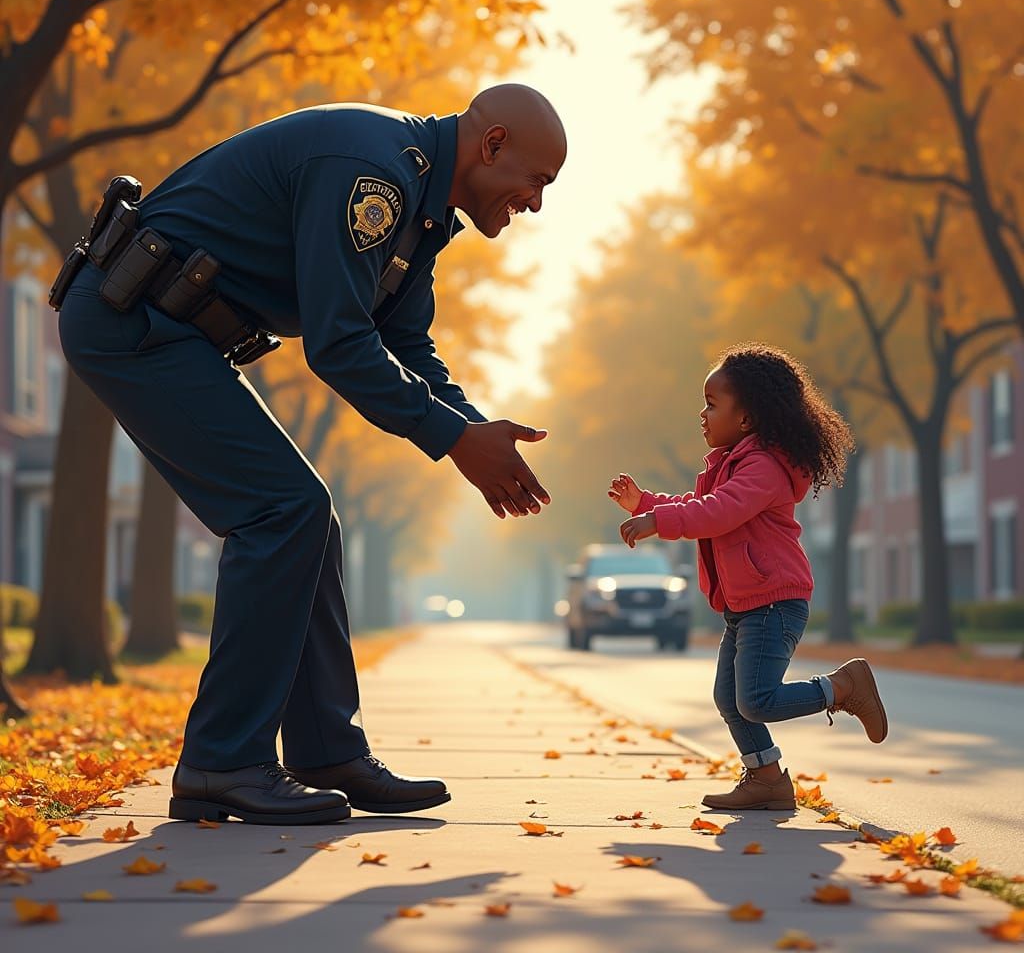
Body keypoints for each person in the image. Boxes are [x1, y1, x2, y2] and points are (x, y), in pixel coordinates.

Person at [57, 83, 567, 826]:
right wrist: (453, 440)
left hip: (176, 330)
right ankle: (221, 762)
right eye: (536, 181)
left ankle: (328, 750)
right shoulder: (374, 174)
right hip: (131, 320)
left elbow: (404, 341)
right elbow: (340, 343)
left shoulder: (420, 205)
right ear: (492, 147)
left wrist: (474, 428)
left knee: (309, 519)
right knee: (281, 511)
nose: (536, 204)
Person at [608, 344, 887, 811]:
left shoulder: (765, 467)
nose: (702, 414)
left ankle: (842, 687)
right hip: (746, 603)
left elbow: (719, 512)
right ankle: (767, 780)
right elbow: (702, 504)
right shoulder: (733, 463)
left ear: (747, 418)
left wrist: (658, 522)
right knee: (729, 697)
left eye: (712, 404)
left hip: (774, 601)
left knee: (756, 701)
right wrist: (647, 504)